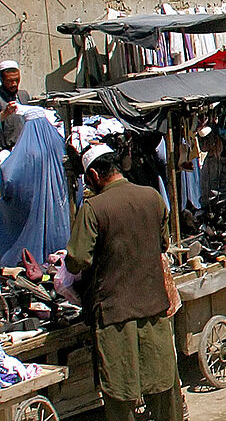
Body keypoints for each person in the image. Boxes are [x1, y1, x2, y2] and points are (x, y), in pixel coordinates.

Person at [66, 145, 183, 421]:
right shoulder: (152, 197)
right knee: (164, 384)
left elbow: (77, 260)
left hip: (114, 314)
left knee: (120, 394)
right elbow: (163, 243)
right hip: (154, 307)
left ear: (94, 175)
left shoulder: (93, 209)